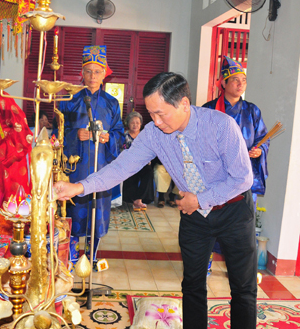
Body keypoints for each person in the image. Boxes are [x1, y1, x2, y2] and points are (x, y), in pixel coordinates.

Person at [54, 72, 257, 329]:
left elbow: (242, 179)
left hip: (234, 209)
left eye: (161, 113)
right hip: (194, 217)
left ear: (184, 104)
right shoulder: (153, 134)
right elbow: (121, 168)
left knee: (243, 288)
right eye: (151, 113)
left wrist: (201, 199)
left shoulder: (221, 126)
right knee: (193, 286)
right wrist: (78, 186)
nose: (156, 121)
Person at [58, 45, 125, 265]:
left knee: (98, 213)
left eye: (97, 71)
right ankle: (73, 255)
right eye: (88, 71)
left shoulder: (112, 103)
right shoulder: (70, 100)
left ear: (105, 73)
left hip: (101, 166)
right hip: (77, 168)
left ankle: (92, 255)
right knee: (75, 212)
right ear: (82, 73)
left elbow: (119, 133)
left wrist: (108, 138)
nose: (92, 76)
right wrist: (75, 134)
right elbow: (58, 134)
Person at [203, 56, 269, 209]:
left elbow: (263, 137)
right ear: (224, 83)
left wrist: (259, 150)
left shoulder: (252, 110)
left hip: (244, 174)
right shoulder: (209, 109)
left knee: (241, 220)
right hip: (217, 174)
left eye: (244, 80)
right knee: (217, 217)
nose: (241, 84)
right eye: (235, 80)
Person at [0, 87, 33, 204]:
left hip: (13, 157)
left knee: (15, 202)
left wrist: (1, 150)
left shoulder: (0, 98)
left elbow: (21, 126)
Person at [122, 111, 154, 210]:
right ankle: (133, 199)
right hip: (129, 163)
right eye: (132, 122)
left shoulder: (145, 136)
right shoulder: (124, 136)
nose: (135, 125)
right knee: (131, 174)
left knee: (148, 173)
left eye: (137, 123)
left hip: (143, 163)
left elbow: (150, 151)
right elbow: (122, 151)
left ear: (141, 124)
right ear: (128, 124)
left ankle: (138, 199)